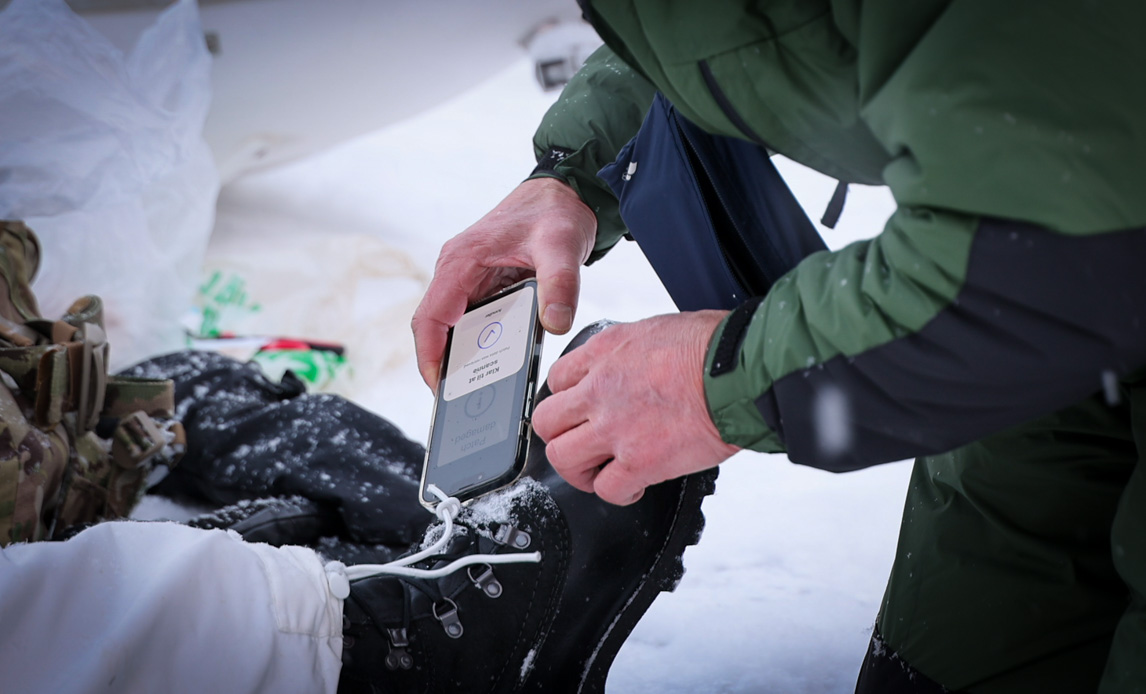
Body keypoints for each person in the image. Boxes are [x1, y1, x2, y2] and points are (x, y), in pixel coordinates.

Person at [410, 2, 1146, 692]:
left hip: (1070, 252)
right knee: (967, 625)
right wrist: (573, 172)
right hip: (1055, 331)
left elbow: (1041, 257)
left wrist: (715, 380)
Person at [0, 219, 715, 692]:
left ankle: (442, 529)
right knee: (137, 591)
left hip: (67, 456)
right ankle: (401, 650)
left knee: (190, 386)